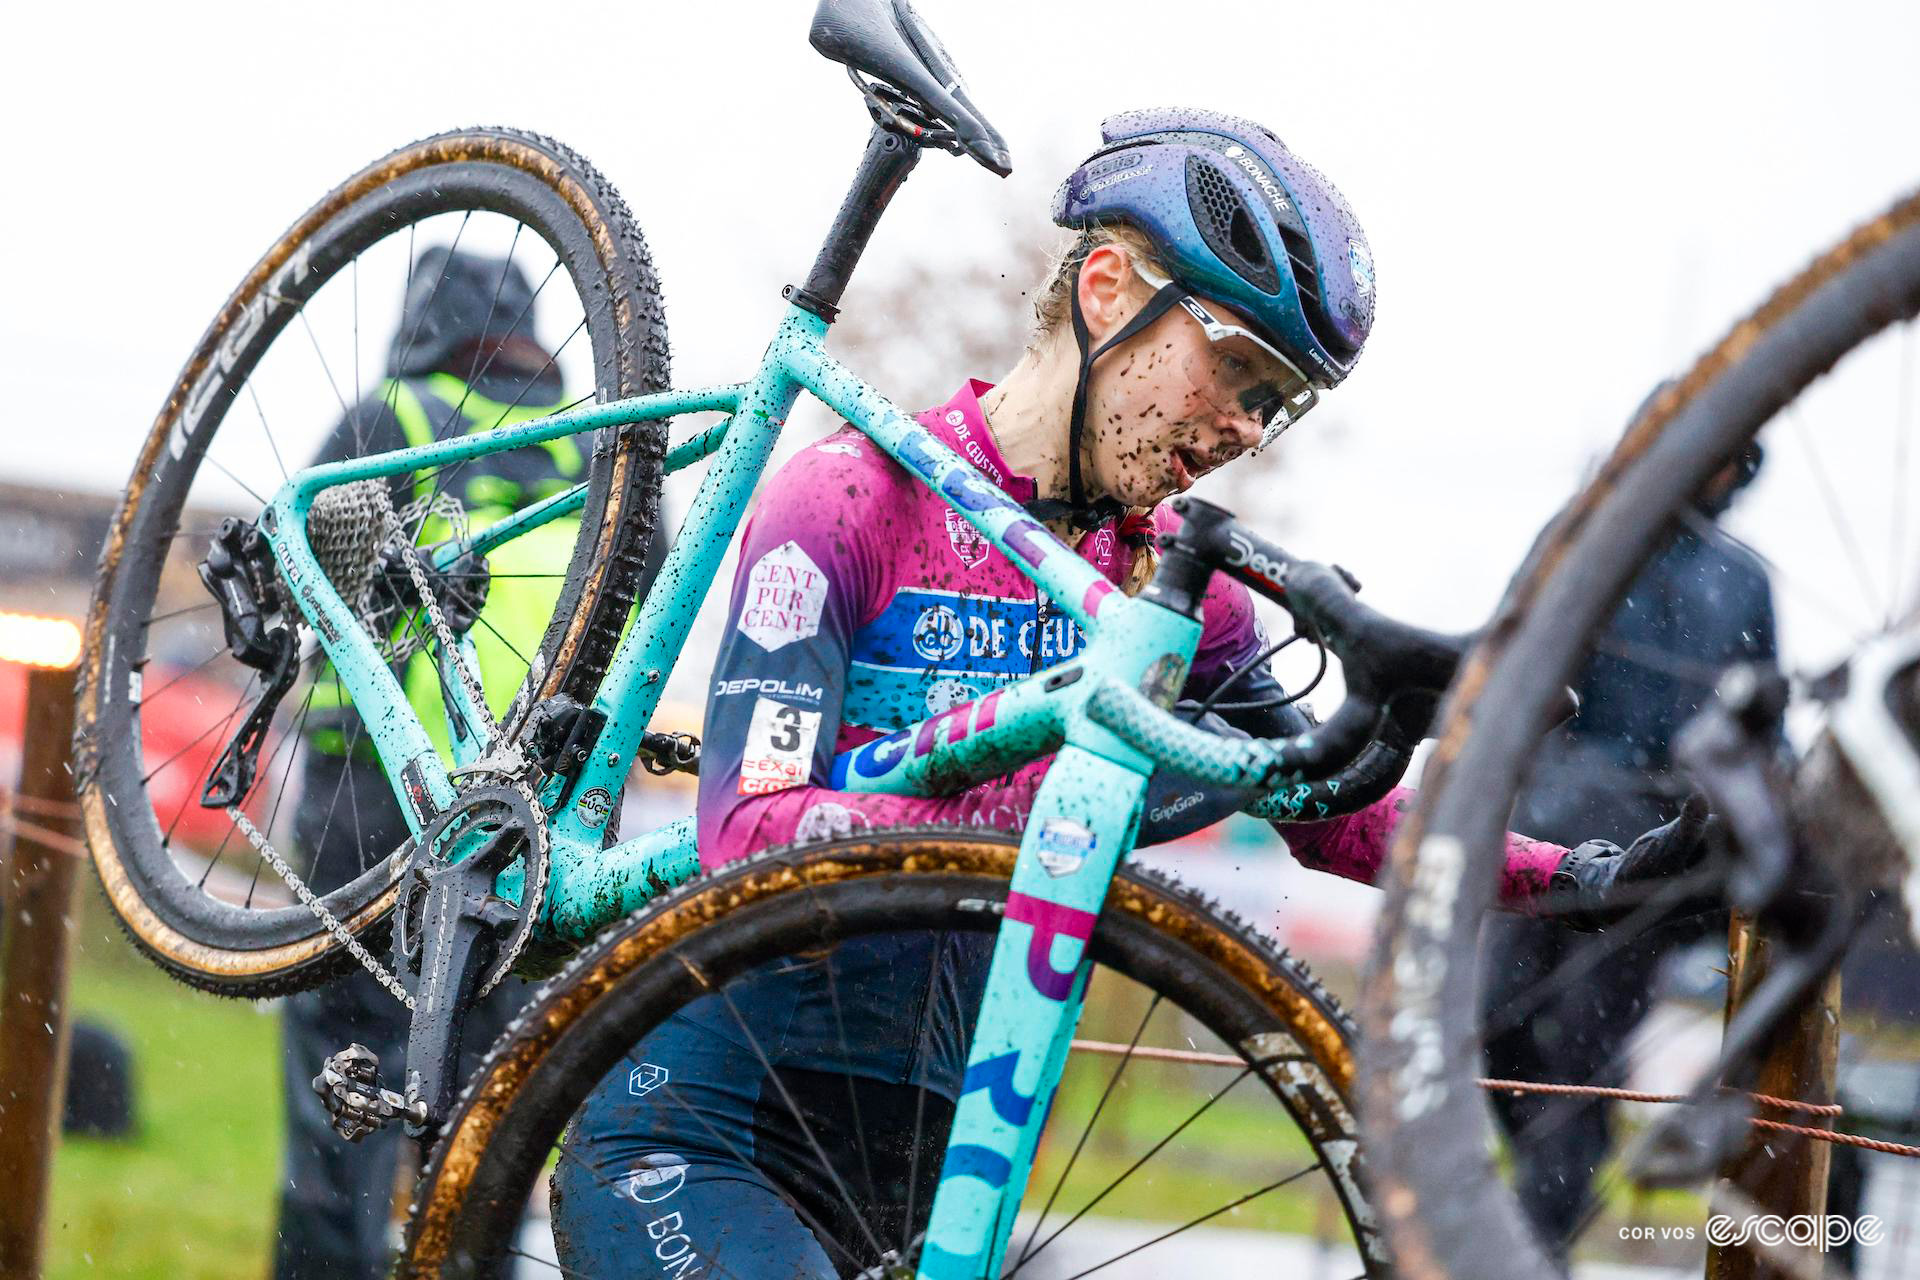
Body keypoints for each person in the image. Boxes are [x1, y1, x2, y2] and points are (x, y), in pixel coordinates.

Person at [548, 109, 1708, 1276]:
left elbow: (1335, 812)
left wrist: (1583, 880)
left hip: (929, 1167)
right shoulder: (852, 497)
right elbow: (748, 829)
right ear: (1108, 288)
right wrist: (1064, 798)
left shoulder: (1166, 588)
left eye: (1281, 399)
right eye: (1239, 368)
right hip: (702, 1129)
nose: (1249, 425)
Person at [273, 246, 584, 1279]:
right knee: (481, 1135)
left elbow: (295, 588)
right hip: (526, 839)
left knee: (341, 1113)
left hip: (368, 809)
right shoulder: (591, 457)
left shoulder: (392, 420)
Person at [1480, 437, 1775, 1265]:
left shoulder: (1742, 577)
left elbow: (1761, 721)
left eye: (1727, 458)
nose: (1708, 468)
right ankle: (1540, 1176)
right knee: (1490, 1014)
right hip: (1551, 820)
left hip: (1659, 850)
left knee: (1585, 1048)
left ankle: (1539, 1243)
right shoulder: (1586, 544)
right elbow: (1512, 664)